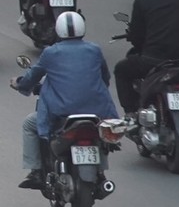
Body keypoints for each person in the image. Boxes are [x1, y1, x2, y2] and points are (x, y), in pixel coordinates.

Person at [12, 11, 118, 190]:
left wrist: (19, 83)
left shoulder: (51, 53)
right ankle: (101, 173)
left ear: (58, 30)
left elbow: (33, 76)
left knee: (30, 124)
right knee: (100, 133)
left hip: (62, 112)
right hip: (97, 111)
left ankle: (36, 171)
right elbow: (105, 78)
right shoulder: (94, 50)